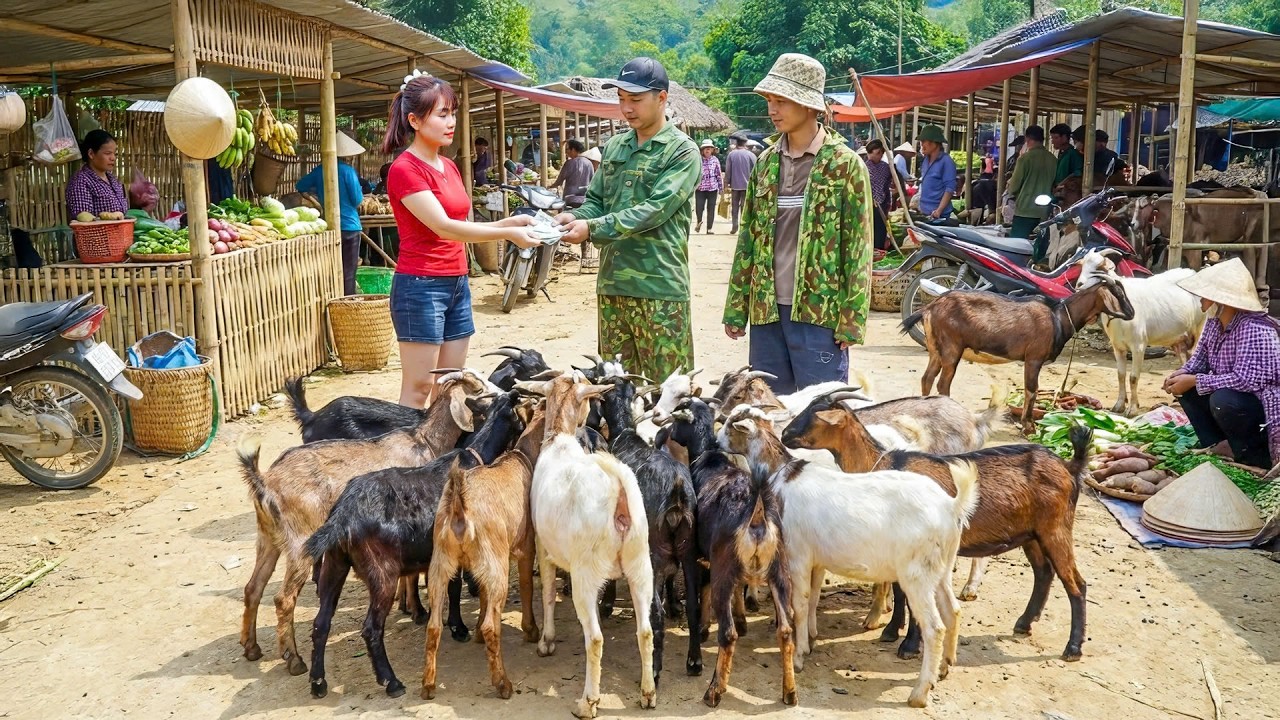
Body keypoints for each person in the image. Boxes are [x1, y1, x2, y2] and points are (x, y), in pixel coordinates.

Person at [382, 72, 539, 408]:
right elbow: (443, 227)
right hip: (420, 286)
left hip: (456, 282)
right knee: (419, 387)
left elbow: (460, 222)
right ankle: (407, 458)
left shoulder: (448, 167)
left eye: (452, 113)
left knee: (451, 385)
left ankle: (438, 458)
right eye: (442, 114)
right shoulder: (405, 169)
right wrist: (507, 232)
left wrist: (513, 221)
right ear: (414, 120)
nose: (451, 122)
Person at [723, 53, 873, 395]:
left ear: (809, 106)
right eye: (770, 101)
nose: (772, 110)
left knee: (819, 416)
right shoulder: (764, 164)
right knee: (768, 412)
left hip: (820, 313)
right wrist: (736, 308)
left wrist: (852, 318)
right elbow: (748, 240)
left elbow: (859, 247)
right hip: (767, 312)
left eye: (782, 101)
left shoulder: (844, 165)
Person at [554, 57, 700, 382]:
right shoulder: (616, 145)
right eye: (621, 99)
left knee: (670, 394)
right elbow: (596, 201)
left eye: (635, 99)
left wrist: (591, 228)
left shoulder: (681, 151)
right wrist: (571, 218)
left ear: (661, 98)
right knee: (616, 391)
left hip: (659, 287)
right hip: (613, 285)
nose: (627, 108)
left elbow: (655, 209)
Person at [1163, 258, 1279, 469]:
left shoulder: (1254, 329)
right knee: (1187, 388)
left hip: (1260, 405)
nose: (1199, 299)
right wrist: (1179, 374)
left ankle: (1254, 457)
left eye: (1206, 294)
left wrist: (1195, 380)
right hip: (1235, 394)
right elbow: (1197, 361)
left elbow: (1246, 381)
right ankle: (1221, 445)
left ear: (1221, 300)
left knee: (1222, 399)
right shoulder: (1214, 324)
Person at [296, 131, 367, 296]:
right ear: (347, 155)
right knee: (348, 271)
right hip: (349, 227)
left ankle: (332, 298)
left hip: (328, 226)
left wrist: (318, 203)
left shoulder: (320, 170)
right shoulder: (348, 171)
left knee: (329, 268)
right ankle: (347, 301)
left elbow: (300, 186)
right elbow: (357, 199)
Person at [1005, 125, 1058, 245]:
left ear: (1027, 139)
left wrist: (1010, 190)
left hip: (1025, 209)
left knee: (1016, 244)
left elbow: (1013, 187)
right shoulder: (1053, 159)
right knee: (1040, 245)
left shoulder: (1024, 159)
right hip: (1044, 211)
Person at [65, 129, 127, 220]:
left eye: (114, 153)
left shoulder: (112, 179)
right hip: (97, 234)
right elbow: (83, 219)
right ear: (91, 154)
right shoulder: (81, 181)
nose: (113, 158)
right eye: (108, 153)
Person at [915, 125, 956, 220]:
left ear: (934, 143)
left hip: (939, 215)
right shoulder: (925, 160)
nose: (921, 145)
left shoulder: (946, 161)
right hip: (924, 212)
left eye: (924, 141)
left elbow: (949, 189)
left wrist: (939, 210)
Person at [863, 139, 893, 252]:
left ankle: (879, 251)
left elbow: (890, 183)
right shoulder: (864, 167)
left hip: (882, 205)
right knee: (870, 231)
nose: (877, 156)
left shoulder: (885, 167)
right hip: (869, 205)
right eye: (874, 153)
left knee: (880, 231)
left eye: (879, 153)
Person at [725, 136, 756, 234]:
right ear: (745, 144)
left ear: (737, 143)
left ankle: (734, 226)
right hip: (747, 186)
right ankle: (744, 227)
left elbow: (728, 170)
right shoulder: (751, 155)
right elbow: (756, 170)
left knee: (734, 208)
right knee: (744, 207)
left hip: (735, 186)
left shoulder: (731, 154)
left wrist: (726, 183)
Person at [549, 138, 594, 206]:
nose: (566, 152)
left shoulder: (569, 163)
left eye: (567, 149)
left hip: (570, 198)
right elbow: (592, 181)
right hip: (585, 198)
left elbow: (560, 180)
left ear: (573, 150)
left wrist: (551, 186)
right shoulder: (589, 163)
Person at [694, 139, 723, 233]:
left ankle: (709, 228)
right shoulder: (698, 160)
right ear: (702, 150)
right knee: (699, 207)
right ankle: (699, 222)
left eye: (709, 149)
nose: (707, 150)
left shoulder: (715, 160)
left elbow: (718, 174)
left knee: (711, 209)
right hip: (700, 188)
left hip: (712, 188)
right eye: (705, 148)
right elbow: (693, 173)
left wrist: (721, 188)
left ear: (712, 150)